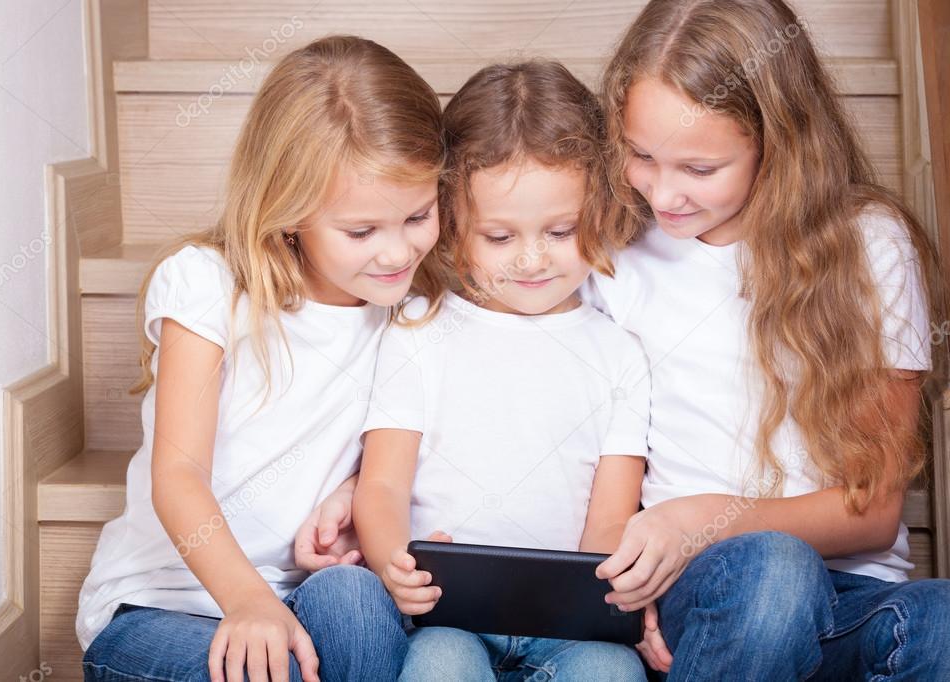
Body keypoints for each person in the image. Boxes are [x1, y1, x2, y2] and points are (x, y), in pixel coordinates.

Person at [583, 0, 950, 677]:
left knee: (942, 622)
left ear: (776, 143)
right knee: (773, 572)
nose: (662, 195)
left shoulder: (868, 245)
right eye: (640, 156)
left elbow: (869, 511)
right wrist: (631, 584)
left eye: (698, 169)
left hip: (854, 596)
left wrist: (703, 513)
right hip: (708, 590)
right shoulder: (617, 256)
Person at [76, 35, 446, 682]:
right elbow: (178, 477)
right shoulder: (206, 286)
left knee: (356, 603)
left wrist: (356, 491)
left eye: (418, 215)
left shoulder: (408, 313)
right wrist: (246, 601)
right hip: (161, 607)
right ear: (289, 213)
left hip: (302, 597)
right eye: (361, 231)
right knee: (258, 671)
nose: (395, 254)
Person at [354, 60, 649, 682]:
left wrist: (601, 594)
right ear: (453, 227)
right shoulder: (418, 331)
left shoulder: (618, 352)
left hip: (570, 628)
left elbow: (612, 516)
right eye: (499, 237)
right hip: (452, 617)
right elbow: (380, 486)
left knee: (612, 673)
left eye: (561, 229)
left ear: (598, 207)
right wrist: (391, 562)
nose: (533, 259)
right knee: (437, 666)